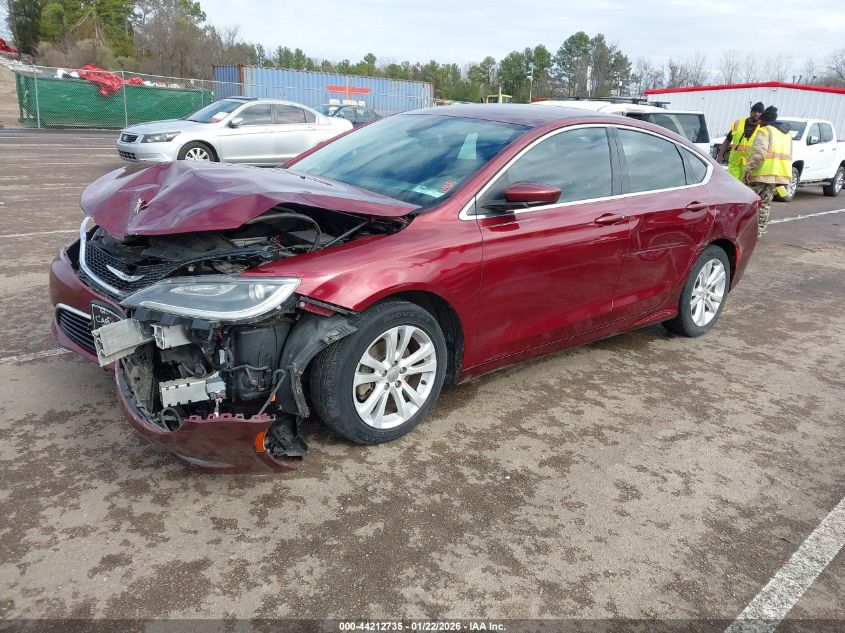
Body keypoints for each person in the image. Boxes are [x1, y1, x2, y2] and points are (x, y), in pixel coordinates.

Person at [744, 106, 793, 237]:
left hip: (761, 173)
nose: (759, 123)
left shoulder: (765, 131)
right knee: (765, 204)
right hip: (776, 174)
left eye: (761, 120)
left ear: (765, 120)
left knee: (747, 202)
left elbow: (759, 154)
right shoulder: (786, 134)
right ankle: (758, 232)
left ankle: (742, 231)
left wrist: (749, 169)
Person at [716, 101, 765, 180]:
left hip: (750, 165)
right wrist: (720, 154)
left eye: (759, 112)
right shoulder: (738, 123)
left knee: (745, 187)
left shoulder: (763, 127)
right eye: (754, 111)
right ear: (750, 112)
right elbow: (728, 139)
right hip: (735, 162)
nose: (756, 114)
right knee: (732, 185)